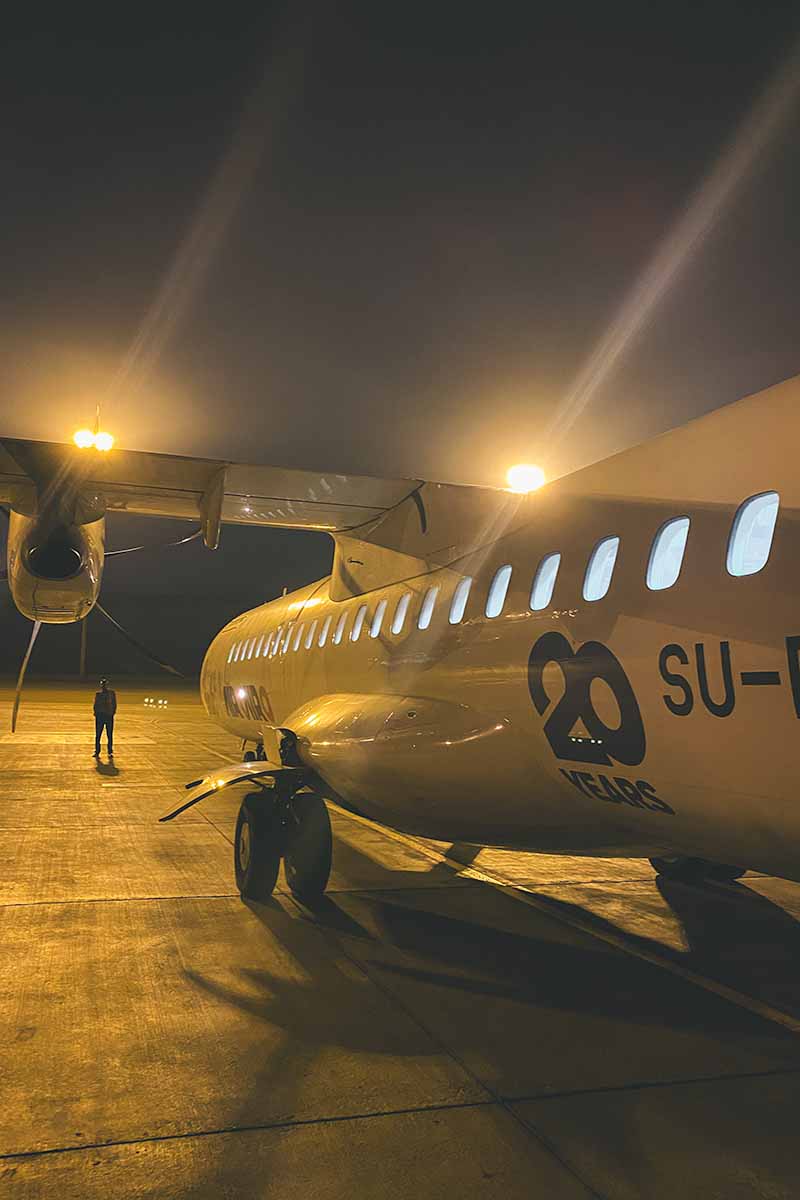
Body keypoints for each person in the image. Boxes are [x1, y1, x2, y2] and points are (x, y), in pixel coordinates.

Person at [93, 678, 117, 757]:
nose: (103, 686)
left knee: (109, 734)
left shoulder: (112, 693)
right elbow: (95, 705)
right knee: (98, 735)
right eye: (102, 685)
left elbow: (114, 704)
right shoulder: (98, 694)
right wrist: (96, 713)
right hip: (100, 716)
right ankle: (97, 751)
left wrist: (112, 713)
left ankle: (109, 751)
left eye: (105, 685)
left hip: (108, 716)